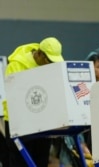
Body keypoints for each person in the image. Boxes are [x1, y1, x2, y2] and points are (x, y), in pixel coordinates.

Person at [3, 37, 64, 167]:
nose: (51, 65)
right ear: (39, 53)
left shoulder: (50, 67)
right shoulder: (17, 65)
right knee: (20, 162)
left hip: (41, 121)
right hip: (18, 123)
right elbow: (14, 98)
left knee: (41, 161)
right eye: (49, 61)